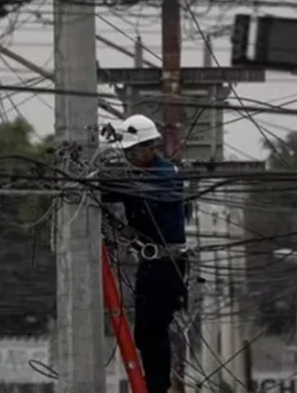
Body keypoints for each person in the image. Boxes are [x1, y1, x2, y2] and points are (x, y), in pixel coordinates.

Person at [101, 114, 188, 393]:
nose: (128, 157)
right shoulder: (138, 176)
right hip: (152, 264)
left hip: (167, 265)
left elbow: (132, 192)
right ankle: (155, 386)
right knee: (146, 333)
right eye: (126, 152)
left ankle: (157, 388)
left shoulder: (164, 174)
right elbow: (115, 192)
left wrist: (102, 181)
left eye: (133, 151)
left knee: (153, 331)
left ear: (150, 147)